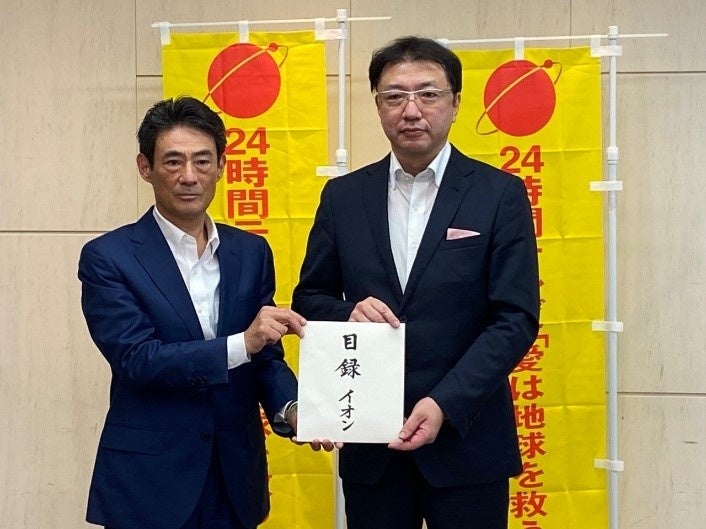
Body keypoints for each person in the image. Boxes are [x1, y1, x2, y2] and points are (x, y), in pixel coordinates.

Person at [291, 36, 540, 529]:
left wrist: (445, 403)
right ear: (378, 105)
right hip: (371, 445)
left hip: (467, 441)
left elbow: (515, 319)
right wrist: (348, 312)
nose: (411, 110)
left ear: (455, 103)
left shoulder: (499, 194)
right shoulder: (343, 197)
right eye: (394, 96)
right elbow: (309, 299)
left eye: (428, 94)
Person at [79, 96, 332, 529]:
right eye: (173, 162)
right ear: (145, 167)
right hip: (150, 482)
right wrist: (243, 343)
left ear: (221, 166)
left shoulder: (250, 252)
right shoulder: (109, 257)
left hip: (234, 478)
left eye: (202, 161)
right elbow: (138, 359)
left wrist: (293, 407)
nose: (189, 176)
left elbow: (264, 357)